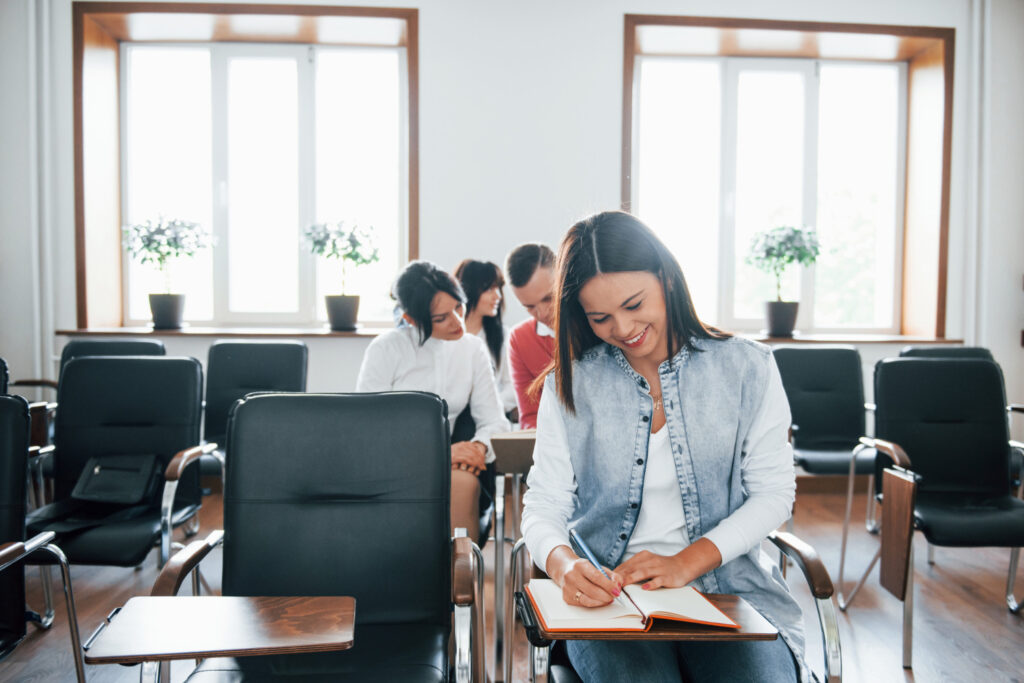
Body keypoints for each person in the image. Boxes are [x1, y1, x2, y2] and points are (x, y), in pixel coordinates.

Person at [520, 211, 807, 683]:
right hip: (611, 600)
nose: (623, 327)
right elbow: (544, 504)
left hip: (728, 590)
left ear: (667, 279)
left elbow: (774, 495)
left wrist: (685, 563)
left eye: (634, 304)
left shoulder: (746, 366)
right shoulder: (572, 385)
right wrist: (563, 563)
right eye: (600, 318)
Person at [357, 260, 510, 541]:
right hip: (393, 464)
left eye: (459, 307)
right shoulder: (386, 349)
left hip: (452, 467)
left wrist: (478, 447)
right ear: (411, 319)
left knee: (464, 482)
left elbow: (495, 421)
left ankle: (461, 582)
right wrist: (442, 455)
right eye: (441, 318)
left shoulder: (472, 349)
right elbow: (369, 433)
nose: (457, 322)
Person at [454, 259, 517, 417]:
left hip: (490, 419)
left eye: (499, 288)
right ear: (469, 290)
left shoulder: (502, 335)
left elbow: (512, 386)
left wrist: (488, 408)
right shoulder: (447, 335)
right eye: (489, 289)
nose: (498, 296)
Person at [504, 243, 557, 429]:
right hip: (550, 447)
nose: (542, 313)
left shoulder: (596, 321)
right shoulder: (520, 339)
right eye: (529, 306)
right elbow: (531, 417)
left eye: (548, 298)